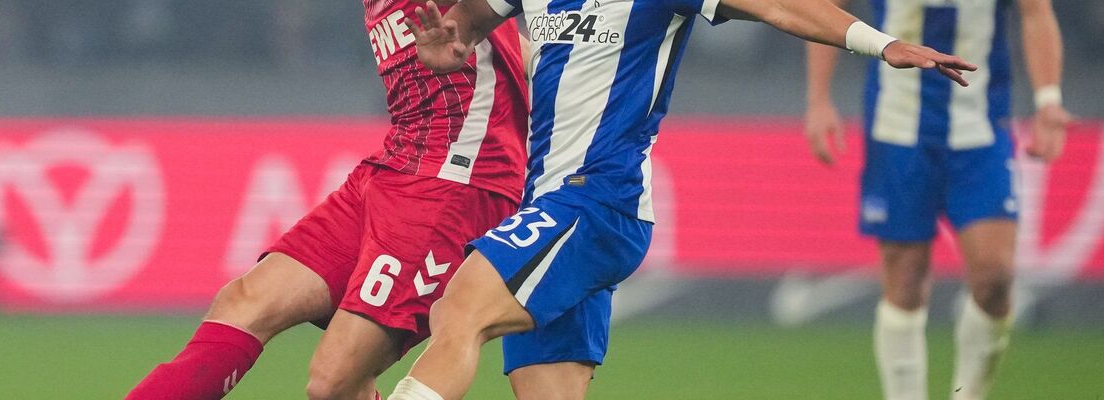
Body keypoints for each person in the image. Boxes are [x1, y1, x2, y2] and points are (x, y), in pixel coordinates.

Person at [388, 0, 978, 398]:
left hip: (598, 202)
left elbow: (778, 4)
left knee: (458, 310)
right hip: (545, 204)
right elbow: (462, 21)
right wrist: (451, 42)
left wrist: (880, 43)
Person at [125, 1, 530, 398]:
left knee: (332, 381)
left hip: (457, 182)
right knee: (245, 302)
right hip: (393, 166)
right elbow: (523, 45)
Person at [803, 0, 1071, 398]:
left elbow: (1036, 12)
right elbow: (827, 6)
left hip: (979, 129)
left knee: (995, 277)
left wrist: (1048, 101)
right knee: (904, 281)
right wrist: (818, 98)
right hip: (897, 128)